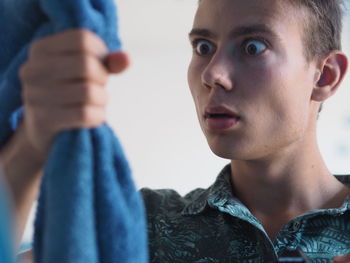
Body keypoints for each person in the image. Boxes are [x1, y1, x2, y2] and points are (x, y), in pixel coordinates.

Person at [0, 0, 350, 262]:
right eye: (203, 47)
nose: (212, 74)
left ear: (324, 76)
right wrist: (30, 147)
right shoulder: (139, 223)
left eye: (253, 47)